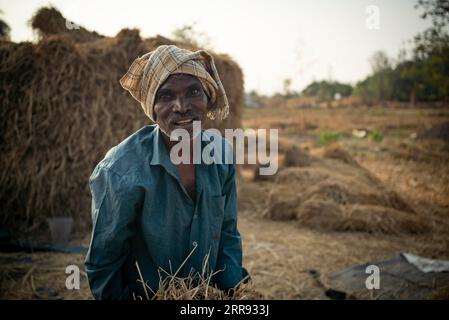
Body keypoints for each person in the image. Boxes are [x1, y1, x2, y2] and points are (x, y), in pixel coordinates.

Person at [84, 45, 248, 300]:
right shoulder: (120, 171)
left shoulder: (221, 154)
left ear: (208, 98)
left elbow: (227, 233)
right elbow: (104, 263)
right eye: (166, 95)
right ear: (152, 107)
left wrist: (236, 294)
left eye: (193, 91)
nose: (181, 106)